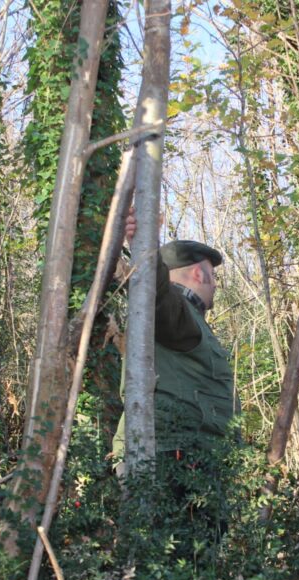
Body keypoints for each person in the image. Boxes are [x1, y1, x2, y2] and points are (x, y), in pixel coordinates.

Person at [112, 209, 238, 535]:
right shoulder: (177, 315)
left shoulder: (188, 320)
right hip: (171, 458)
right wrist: (144, 246)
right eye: (213, 274)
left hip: (181, 455)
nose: (216, 284)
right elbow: (154, 297)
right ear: (199, 274)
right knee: (174, 565)